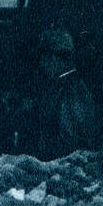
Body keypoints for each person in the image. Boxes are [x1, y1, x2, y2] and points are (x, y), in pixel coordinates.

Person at [18, 28, 97, 160]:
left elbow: (70, 142)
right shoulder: (66, 86)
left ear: (54, 58)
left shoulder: (71, 90)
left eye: (43, 57)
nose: (41, 64)